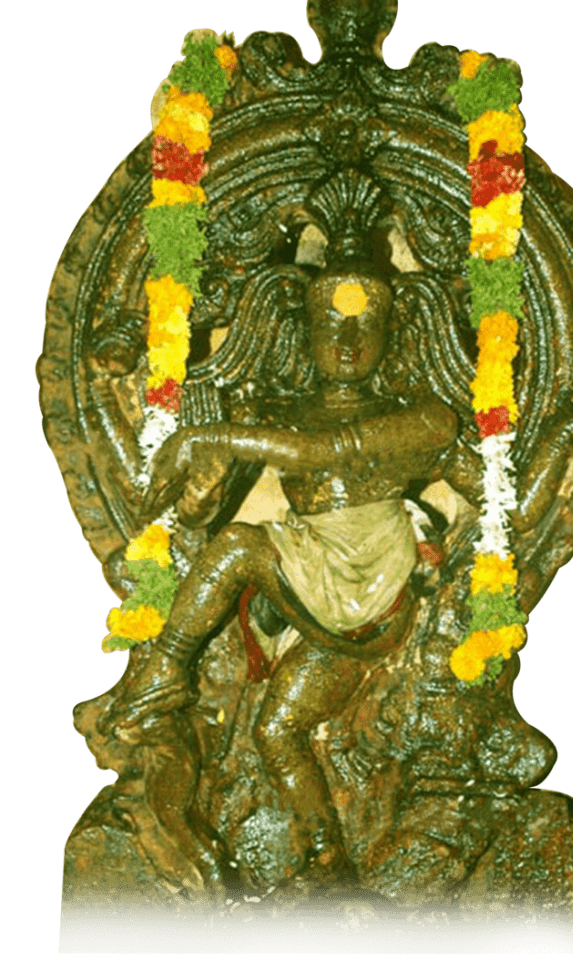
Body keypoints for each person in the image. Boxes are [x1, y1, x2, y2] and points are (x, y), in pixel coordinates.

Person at [110, 264, 458, 895]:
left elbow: (319, 454)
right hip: (315, 590)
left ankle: (164, 668)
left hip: (368, 581)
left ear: (392, 334)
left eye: (365, 326)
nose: (347, 342)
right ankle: (330, 864)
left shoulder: (422, 417)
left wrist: (206, 436)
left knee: (242, 547)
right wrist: (199, 492)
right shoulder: (280, 416)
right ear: (304, 332)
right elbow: (205, 517)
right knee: (276, 729)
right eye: (331, 325)